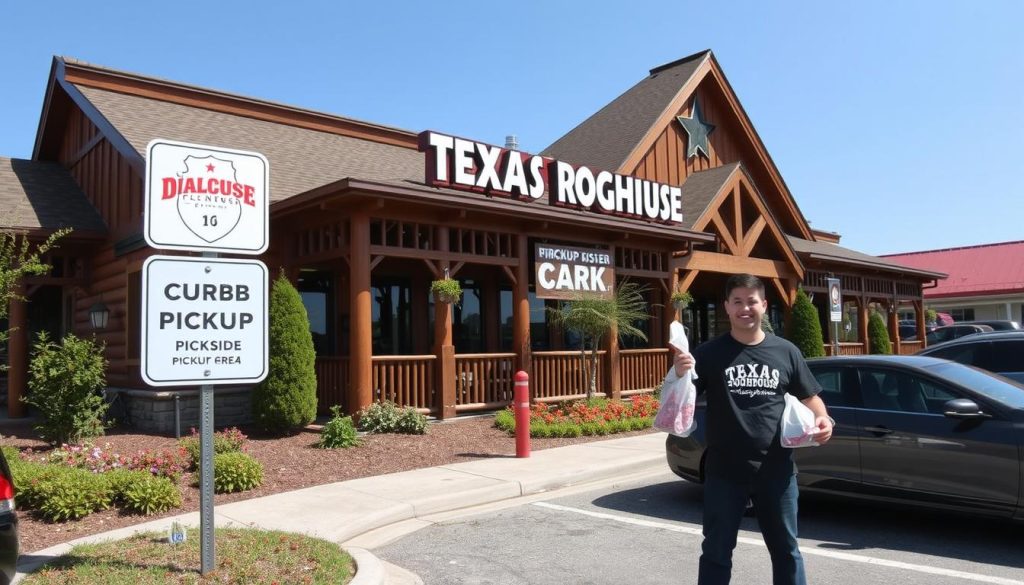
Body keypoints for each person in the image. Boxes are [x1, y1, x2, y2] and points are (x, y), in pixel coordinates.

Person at [668, 274, 833, 585]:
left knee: (786, 550)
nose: (746, 308)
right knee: (716, 550)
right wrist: (678, 374)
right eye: (738, 302)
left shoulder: (786, 351)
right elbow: (680, 399)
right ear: (727, 307)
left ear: (764, 305)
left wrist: (824, 420)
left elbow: (810, 397)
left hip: (778, 471)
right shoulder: (708, 353)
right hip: (724, 473)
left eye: (752, 301)